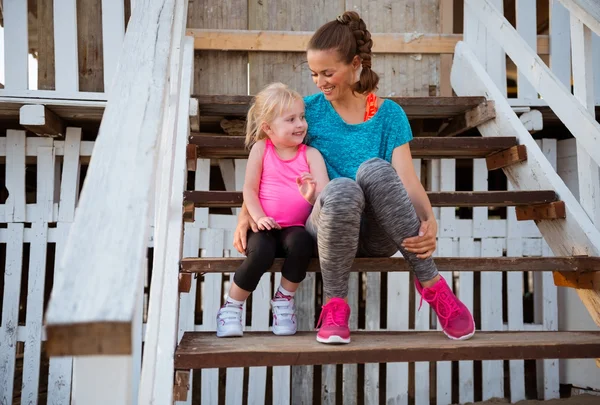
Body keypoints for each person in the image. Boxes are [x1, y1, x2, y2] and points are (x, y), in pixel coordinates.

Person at [234, 11, 475, 344]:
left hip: (378, 232)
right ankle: (335, 305)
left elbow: (406, 178)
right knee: (342, 187)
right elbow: (268, 156)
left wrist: (428, 220)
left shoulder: (388, 113)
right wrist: (247, 214)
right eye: (314, 73)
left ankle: (433, 286)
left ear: (355, 64)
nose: (320, 81)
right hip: (325, 228)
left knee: (374, 169)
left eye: (328, 72)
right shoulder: (306, 112)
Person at [217, 82, 329, 338]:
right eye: (290, 119)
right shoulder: (261, 150)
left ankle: (283, 301)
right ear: (268, 127)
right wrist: (257, 217)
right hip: (264, 227)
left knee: (303, 244)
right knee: (260, 253)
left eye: (301, 117)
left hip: (295, 228)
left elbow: (325, 196)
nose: (300, 124)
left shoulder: (311, 154)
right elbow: (249, 190)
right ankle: (232, 307)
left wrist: (312, 198)